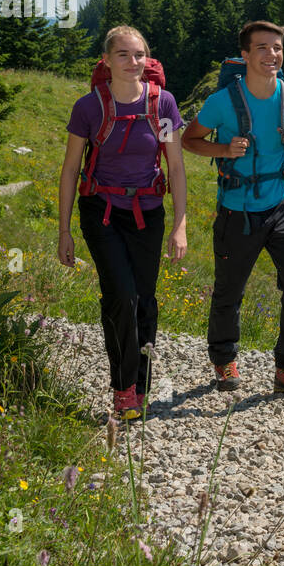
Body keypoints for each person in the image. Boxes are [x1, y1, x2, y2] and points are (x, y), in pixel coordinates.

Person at [58, 25, 186, 420]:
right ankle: (123, 389)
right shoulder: (89, 107)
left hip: (148, 211)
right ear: (107, 61)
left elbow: (177, 168)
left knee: (145, 299)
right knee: (121, 296)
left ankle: (140, 385)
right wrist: (63, 231)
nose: (134, 63)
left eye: (140, 55)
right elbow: (70, 170)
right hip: (102, 212)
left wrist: (181, 223)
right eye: (124, 55)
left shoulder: (162, 104)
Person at [181, 20, 284, 396]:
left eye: (276, 47)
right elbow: (189, 140)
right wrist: (223, 149)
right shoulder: (222, 102)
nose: (271, 54)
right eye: (262, 48)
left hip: (282, 206)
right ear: (245, 55)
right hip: (236, 211)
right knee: (229, 289)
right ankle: (224, 359)